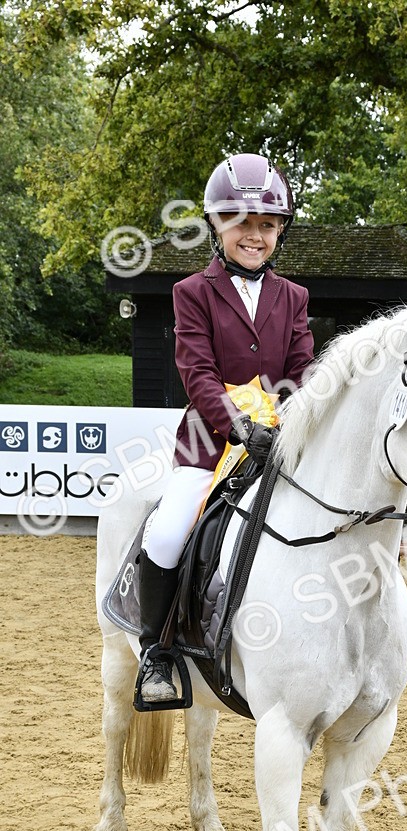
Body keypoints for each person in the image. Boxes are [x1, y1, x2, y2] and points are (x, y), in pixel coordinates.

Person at [137, 152, 315, 704]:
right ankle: (156, 652)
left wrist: (291, 420)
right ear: (216, 224)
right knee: (167, 533)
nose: (254, 236)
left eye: (267, 225)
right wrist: (238, 427)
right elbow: (197, 372)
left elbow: (302, 370)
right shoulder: (191, 292)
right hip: (210, 446)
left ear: (279, 232)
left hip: (278, 443)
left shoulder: (295, 297)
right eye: (241, 222)